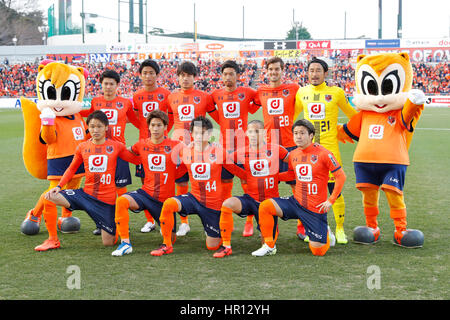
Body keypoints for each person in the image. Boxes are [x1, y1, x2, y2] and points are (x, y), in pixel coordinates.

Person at [43, 111, 140, 248]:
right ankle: (52, 239)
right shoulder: (82, 147)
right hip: (85, 195)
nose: (95, 130)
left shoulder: (116, 146)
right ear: (88, 127)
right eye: (92, 126)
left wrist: (141, 148)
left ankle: (114, 226)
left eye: (99, 126)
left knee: (108, 243)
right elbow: (71, 169)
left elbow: (135, 160)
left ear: (106, 127)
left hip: (106, 201)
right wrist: (58, 186)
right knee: (49, 197)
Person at [150, 116, 241, 256]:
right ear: (191, 134)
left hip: (213, 204)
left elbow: (236, 170)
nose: (199, 136)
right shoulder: (186, 151)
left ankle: (221, 237)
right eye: (196, 133)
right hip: (194, 198)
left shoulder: (219, 151)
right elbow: (167, 151)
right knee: (169, 204)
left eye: (203, 133)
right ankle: (166, 244)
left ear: (210, 134)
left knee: (212, 246)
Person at [253, 119, 346, 257]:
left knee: (318, 252)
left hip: (314, 209)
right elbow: (291, 174)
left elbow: (341, 176)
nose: (298, 136)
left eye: (302, 133)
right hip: (296, 202)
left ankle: (325, 232)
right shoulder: (294, 155)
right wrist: (273, 176)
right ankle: (269, 246)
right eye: (296, 133)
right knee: (266, 206)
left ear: (311, 135)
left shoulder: (324, 153)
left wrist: (330, 200)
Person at [295, 58, 357, 244]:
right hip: (307, 151)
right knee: (308, 189)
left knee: (333, 189)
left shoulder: (336, 93)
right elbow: (291, 116)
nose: (314, 74)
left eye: (318, 71)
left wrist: (344, 130)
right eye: (311, 70)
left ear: (325, 73)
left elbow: (353, 115)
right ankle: (311, 228)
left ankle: (339, 229)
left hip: (330, 150)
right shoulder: (302, 92)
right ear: (307, 73)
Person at [112, 110, 188, 256]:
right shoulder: (141, 144)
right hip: (146, 193)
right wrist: (114, 147)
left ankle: (165, 227)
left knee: (172, 239)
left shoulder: (176, 145)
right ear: (148, 127)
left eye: (159, 125)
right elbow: (129, 153)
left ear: (165, 127)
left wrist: (174, 175)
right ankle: (125, 243)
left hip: (165, 201)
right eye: (152, 125)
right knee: (122, 201)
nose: (155, 128)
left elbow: (190, 159)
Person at [213, 120, 288, 258]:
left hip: (270, 203)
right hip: (251, 199)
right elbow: (226, 161)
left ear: (264, 133)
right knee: (227, 204)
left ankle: (269, 230)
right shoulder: (242, 151)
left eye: (257, 131)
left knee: (267, 244)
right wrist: (244, 175)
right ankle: (226, 246)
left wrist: (279, 177)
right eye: (250, 131)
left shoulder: (276, 148)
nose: (253, 134)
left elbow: (296, 160)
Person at [80, 70, 140, 235]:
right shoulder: (96, 101)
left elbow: (137, 122)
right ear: (101, 85)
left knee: (121, 188)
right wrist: (72, 112)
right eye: (105, 83)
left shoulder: (124, 103)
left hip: (119, 151)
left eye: (111, 83)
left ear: (117, 85)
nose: (108, 87)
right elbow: (89, 121)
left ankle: (122, 223)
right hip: (98, 153)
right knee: (101, 189)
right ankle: (102, 223)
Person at [167, 61, 220, 236]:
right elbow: (167, 121)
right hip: (181, 149)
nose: (185, 78)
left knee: (204, 182)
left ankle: (209, 220)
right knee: (181, 182)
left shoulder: (205, 96)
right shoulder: (171, 97)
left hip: (201, 149)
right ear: (178, 77)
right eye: (182, 75)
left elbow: (217, 118)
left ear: (194, 77)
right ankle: (184, 222)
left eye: (189, 75)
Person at [210, 60, 259, 237]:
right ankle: (227, 220)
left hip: (245, 147)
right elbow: (212, 112)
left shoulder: (247, 92)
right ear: (221, 76)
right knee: (225, 185)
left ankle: (249, 222)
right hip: (225, 148)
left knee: (248, 184)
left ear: (238, 76)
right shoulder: (215, 94)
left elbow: (257, 105)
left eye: (232, 74)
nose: (228, 77)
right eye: (225, 74)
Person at [132, 59, 178, 233]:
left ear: (157, 75)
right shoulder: (137, 96)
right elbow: (137, 119)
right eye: (145, 73)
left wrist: (165, 132)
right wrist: (145, 132)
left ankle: (169, 216)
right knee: (145, 181)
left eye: (152, 73)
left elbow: (171, 117)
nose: (148, 76)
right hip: (144, 147)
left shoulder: (166, 94)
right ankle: (150, 220)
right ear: (140, 75)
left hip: (163, 145)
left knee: (166, 180)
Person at [254, 57, 301, 191]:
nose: (273, 72)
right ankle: (270, 211)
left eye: (276, 69)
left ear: (282, 70)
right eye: (270, 69)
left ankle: (300, 211)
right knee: (269, 184)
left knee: (295, 183)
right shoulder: (261, 91)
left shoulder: (293, 88)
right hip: (269, 145)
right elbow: (251, 107)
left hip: (290, 145)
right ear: (266, 71)